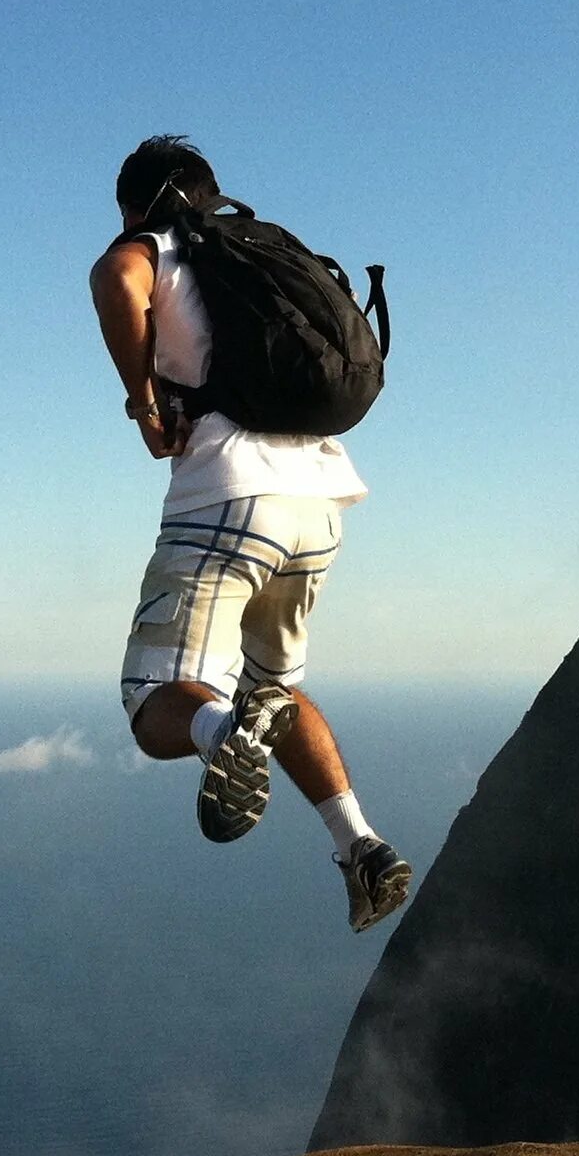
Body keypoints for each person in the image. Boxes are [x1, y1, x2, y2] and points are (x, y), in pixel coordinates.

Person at [89, 134, 412, 932]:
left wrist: (145, 402)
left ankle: (216, 730)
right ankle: (361, 844)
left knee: (153, 700)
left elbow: (115, 278)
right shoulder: (262, 256)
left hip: (228, 497)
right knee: (273, 693)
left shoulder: (155, 244)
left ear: (140, 205)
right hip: (323, 505)